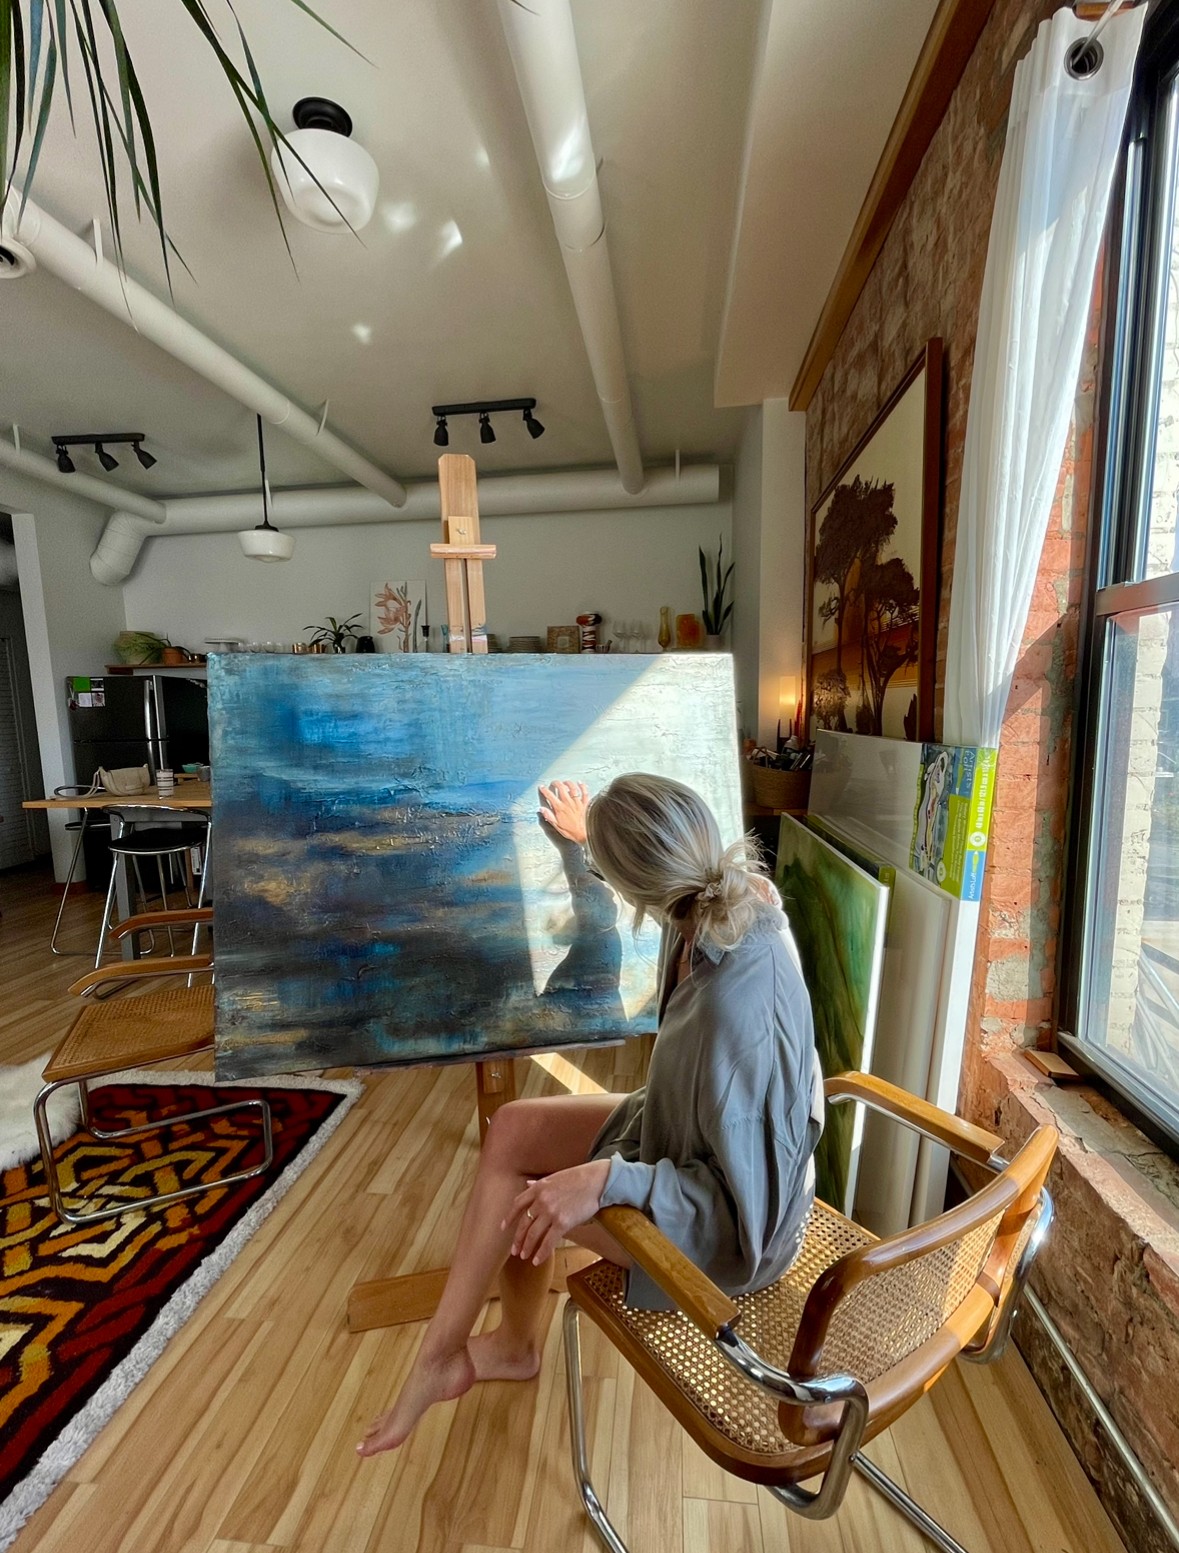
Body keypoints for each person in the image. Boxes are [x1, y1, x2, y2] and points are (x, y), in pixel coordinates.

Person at [357, 772, 822, 1457]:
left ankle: (465, 1356)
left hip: (737, 1233)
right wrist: (584, 846)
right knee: (513, 1128)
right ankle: (495, 1347)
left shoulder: (735, 1011)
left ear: (637, 883)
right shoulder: (721, 897)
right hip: (682, 1133)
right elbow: (642, 892)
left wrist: (606, 1179)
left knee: (524, 1194)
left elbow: (747, 1205)